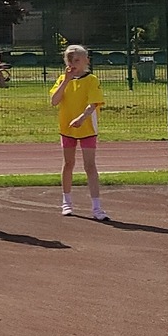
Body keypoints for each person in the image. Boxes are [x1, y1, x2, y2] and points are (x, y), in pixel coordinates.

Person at [51, 45, 107, 221]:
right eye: (70, 60)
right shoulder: (62, 79)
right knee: (68, 163)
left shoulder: (91, 80)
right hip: (67, 128)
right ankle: (66, 202)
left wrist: (82, 118)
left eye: (77, 60)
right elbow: (54, 100)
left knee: (89, 166)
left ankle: (97, 207)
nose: (73, 63)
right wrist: (66, 81)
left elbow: (93, 104)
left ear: (86, 61)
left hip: (87, 129)